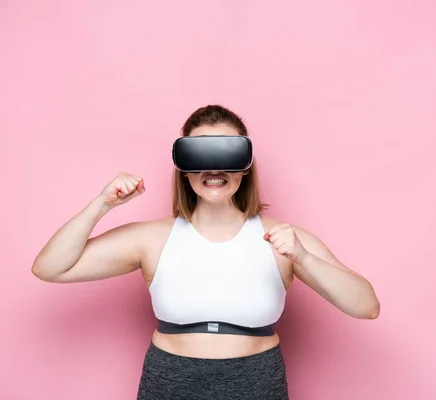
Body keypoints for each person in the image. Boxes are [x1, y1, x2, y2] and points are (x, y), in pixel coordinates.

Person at [31, 105, 380, 399]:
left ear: (245, 164)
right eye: (200, 154)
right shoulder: (152, 238)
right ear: (183, 167)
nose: (214, 169)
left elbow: (366, 306)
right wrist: (100, 205)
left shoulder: (284, 240)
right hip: (170, 383)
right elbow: (51, 267)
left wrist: (304, 258)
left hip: (256, 384)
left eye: (227, 153)